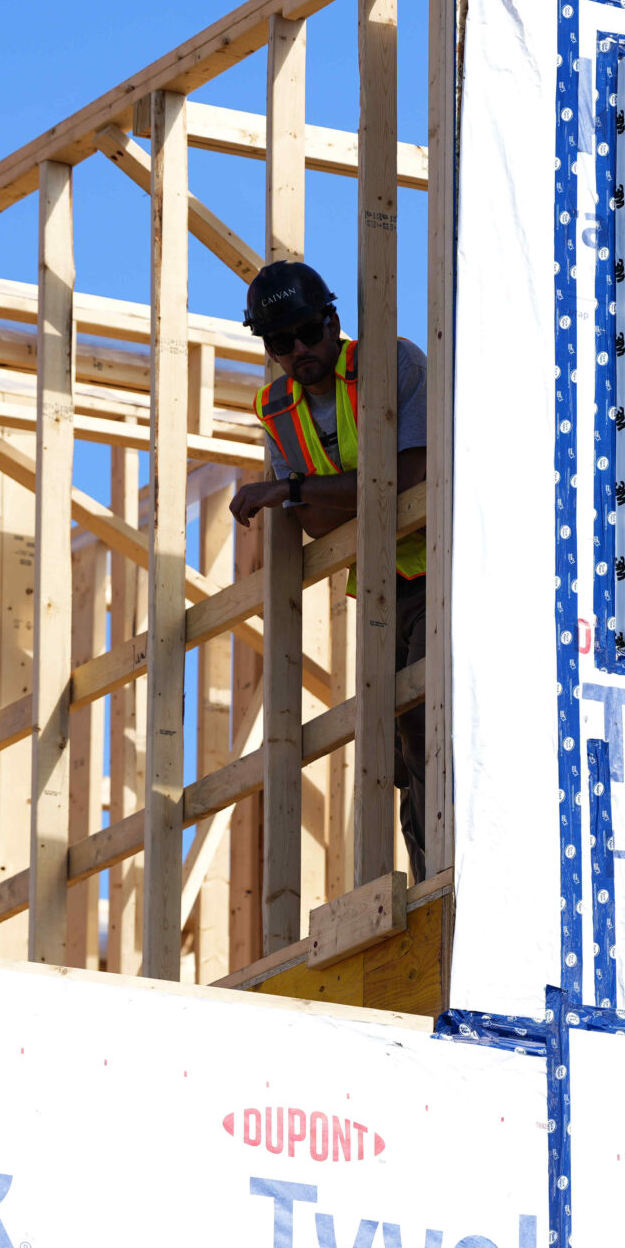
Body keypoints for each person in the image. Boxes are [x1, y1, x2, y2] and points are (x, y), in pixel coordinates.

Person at [229, 261, 433, 868]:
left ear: (333, 321)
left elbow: (412, 478)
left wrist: (295, 492)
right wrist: (312, 497)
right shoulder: (276, 409)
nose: (297, 351)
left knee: (431, 723)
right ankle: (426, 880)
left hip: (440, 575)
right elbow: (321, 525)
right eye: (277, 342)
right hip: (378, 590)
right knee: (398, 747)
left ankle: (452, 873)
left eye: (307, 332)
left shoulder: (391, 364)